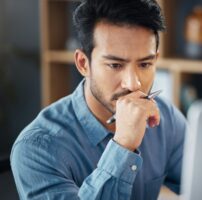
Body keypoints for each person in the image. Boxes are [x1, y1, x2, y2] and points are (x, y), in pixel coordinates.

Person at [10, 0, 186, 199]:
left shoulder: (166, 117)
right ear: (83, 63)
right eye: (115, 65)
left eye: (145, 64)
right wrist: (123, 145)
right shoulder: (35, 148)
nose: (134, 84)